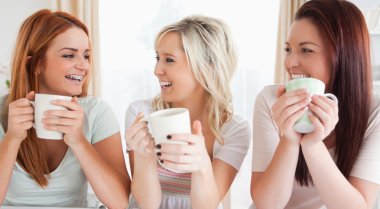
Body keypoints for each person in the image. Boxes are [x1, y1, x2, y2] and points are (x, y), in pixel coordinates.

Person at [250, 0, 380, 208]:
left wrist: (312, 145)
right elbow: (267, 204)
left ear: (343, 54)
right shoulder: (271, 99)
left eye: (306, 50)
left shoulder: (374, 112)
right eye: (288, 49)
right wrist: (290, 140)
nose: (289, 63)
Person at [0, 9, 130, 208]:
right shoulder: (5, 114)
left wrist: (79, 141)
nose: (84, 66)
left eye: (86, 56)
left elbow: (122, 203)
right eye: (69, 55)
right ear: (35, 64)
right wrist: (12, 138)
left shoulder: (97, 113)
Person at [124, 15, 251, 209]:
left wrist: (201, 166)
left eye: (169, 60)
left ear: (207, 67)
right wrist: (144, 157)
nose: (157, 70)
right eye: (158, 58)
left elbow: (206, 206)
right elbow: (146, 204)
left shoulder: (234, 129)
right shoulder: (140, 113)